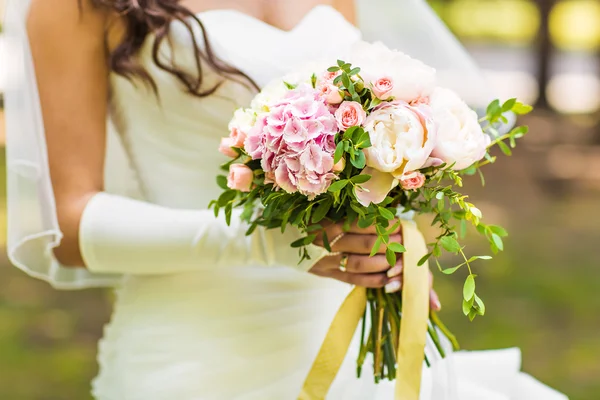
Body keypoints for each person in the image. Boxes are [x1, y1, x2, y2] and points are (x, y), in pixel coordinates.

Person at [4, 0, 568, 398]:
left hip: (353, 347)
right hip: (196, 357)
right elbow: (69, 227)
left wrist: (381, 224)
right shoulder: (77, 4)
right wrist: (264, 242)